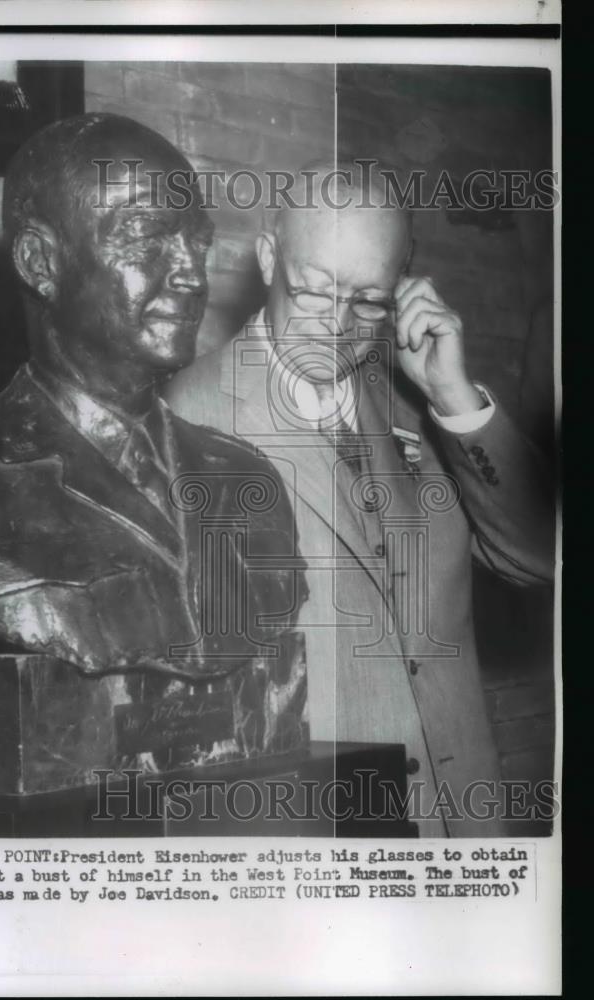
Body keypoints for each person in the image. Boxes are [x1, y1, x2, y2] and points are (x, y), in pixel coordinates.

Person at [0, 113, 304, 709]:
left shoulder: (248, 482)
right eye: (145, 233)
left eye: (198, 241)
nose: (192, 274)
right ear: (40, 262)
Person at [164, 162, 554, 836]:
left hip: (462, 825)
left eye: (368, 299)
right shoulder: (183, 420)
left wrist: (454, 401)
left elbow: (538, 556)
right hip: (319, 841)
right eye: (315, 291)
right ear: (267, 258)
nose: (338, 327)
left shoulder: (420, 398)